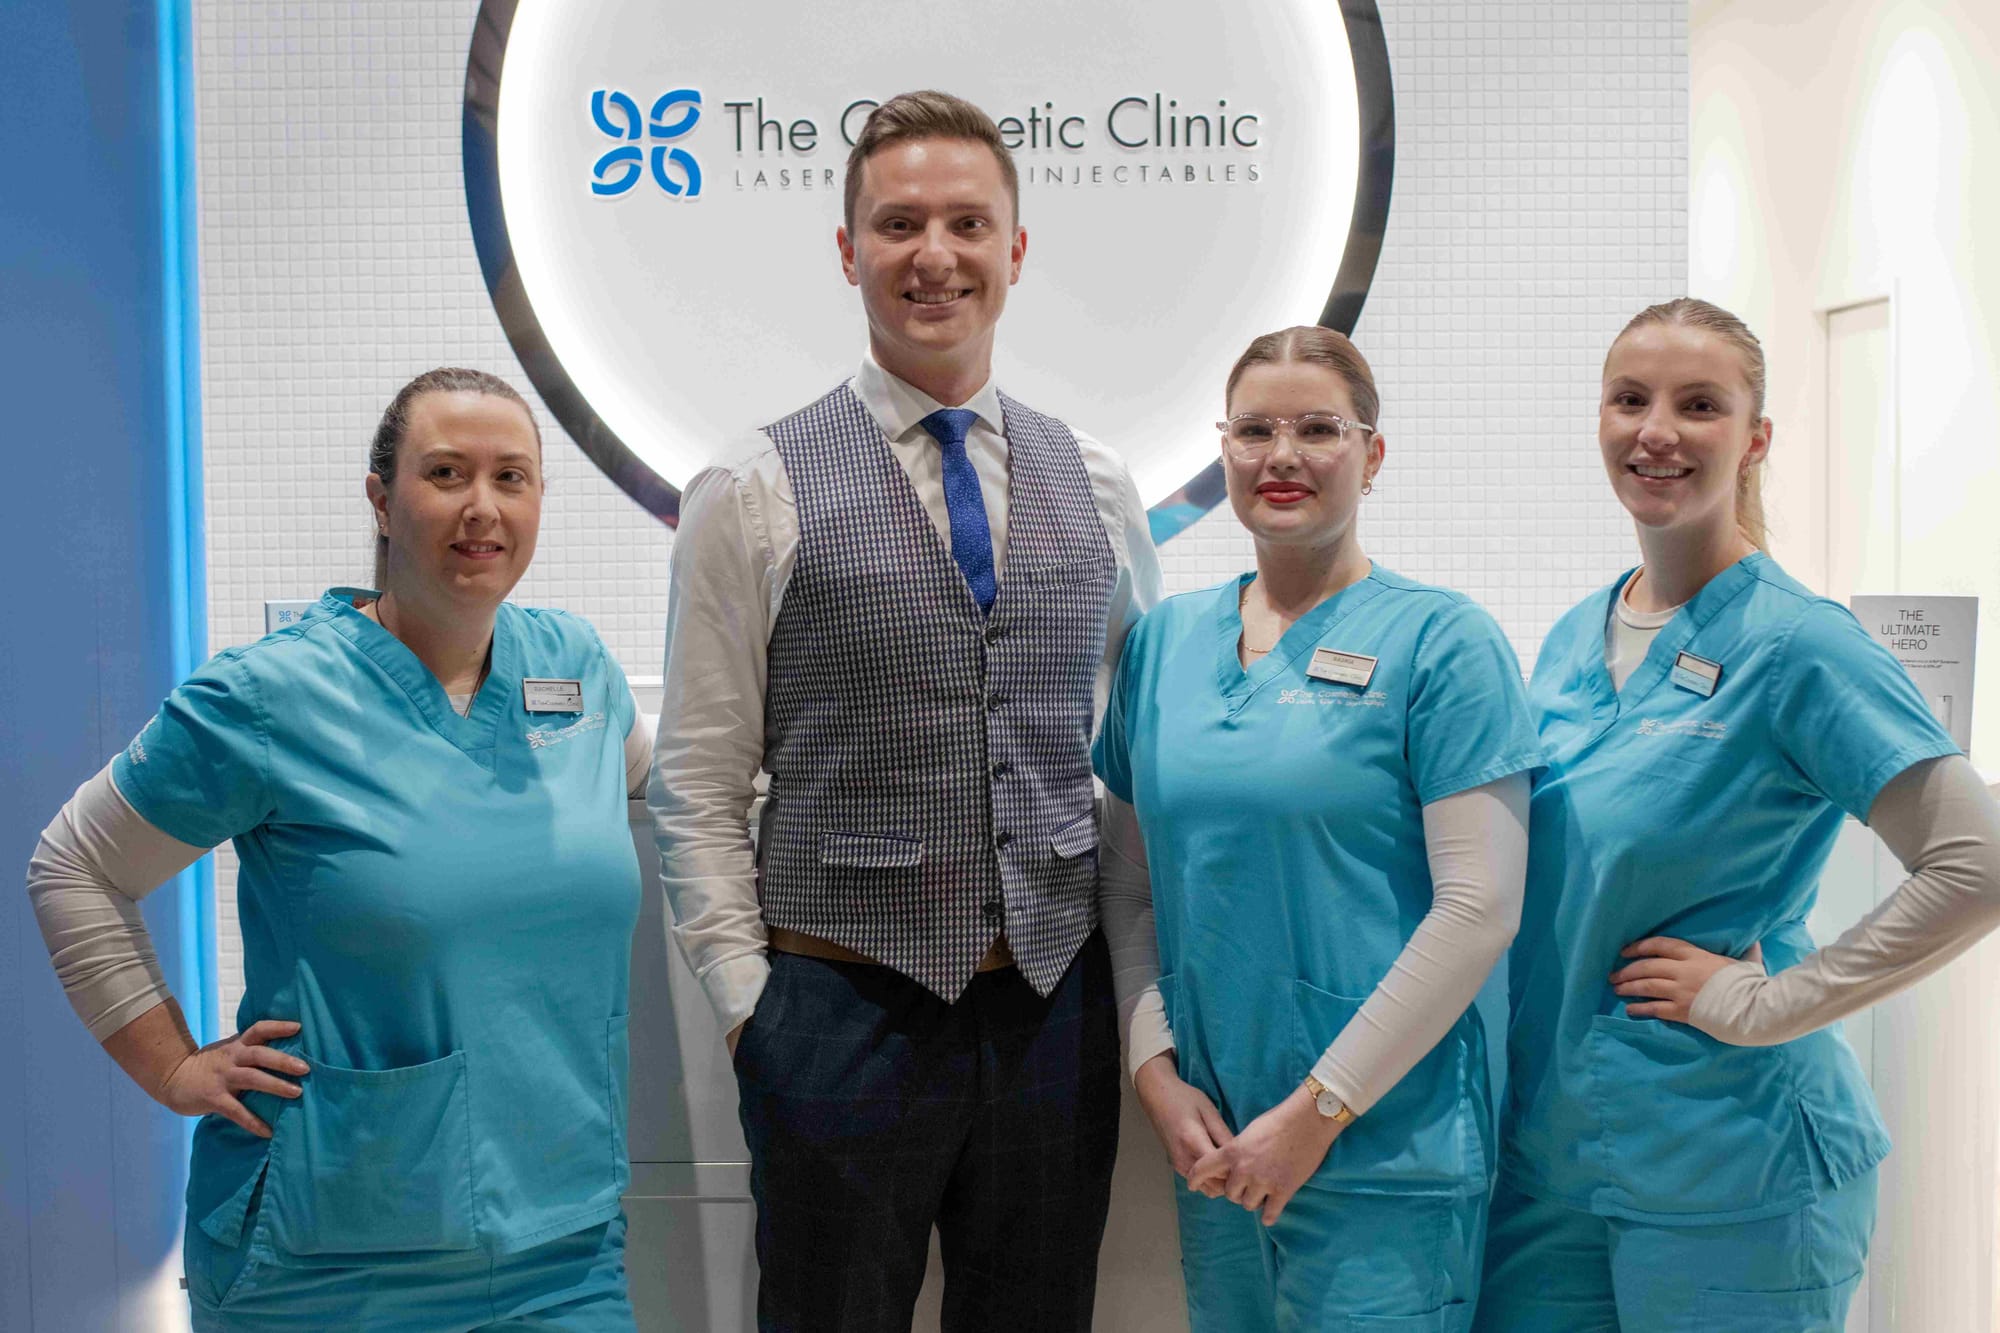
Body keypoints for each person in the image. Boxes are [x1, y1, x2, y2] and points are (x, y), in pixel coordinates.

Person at [648, 90, 1160, 1331]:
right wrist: (749, 1013)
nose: (935, 255)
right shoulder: (750, 485)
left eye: (967, 224)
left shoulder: (1097, 483)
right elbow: (699, 778)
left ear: (1015, 250)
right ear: (848, 251)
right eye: (898, 224)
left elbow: (1128, 761)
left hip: (1052, 1009)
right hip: (837, 1011)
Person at [27, 368, 652, 1331]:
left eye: (511, 477)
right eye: (445, 472)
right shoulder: (270, 698)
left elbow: (671, 790)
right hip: (329, 1255)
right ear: (381, 499)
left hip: (563, 1243)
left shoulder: (578, 671)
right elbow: (74, 866)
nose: (482, 507)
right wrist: (174, 1069)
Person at [1475, 298, 2000, 1331]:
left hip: (1736, 1168)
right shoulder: (1577, 634)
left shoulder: (1800, 643)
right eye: (1629, 399)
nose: (1655, 431)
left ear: (1754, 439)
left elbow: (1974, 864)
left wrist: (1775, 1002)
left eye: (1699, 405)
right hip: (1556, 1161)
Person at [1094, 325, 1542, 1331]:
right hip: (1218, 1149)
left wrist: (1317, 1111)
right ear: (1223, 452)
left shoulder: (1443, 642)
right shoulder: (1164, 644)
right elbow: (1129, 887)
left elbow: (1479, 908)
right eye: (1254, 430)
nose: (1281, 455)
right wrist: (1153, 1069)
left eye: (1317, 429)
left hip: (1384, 1156)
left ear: (1371, 455)